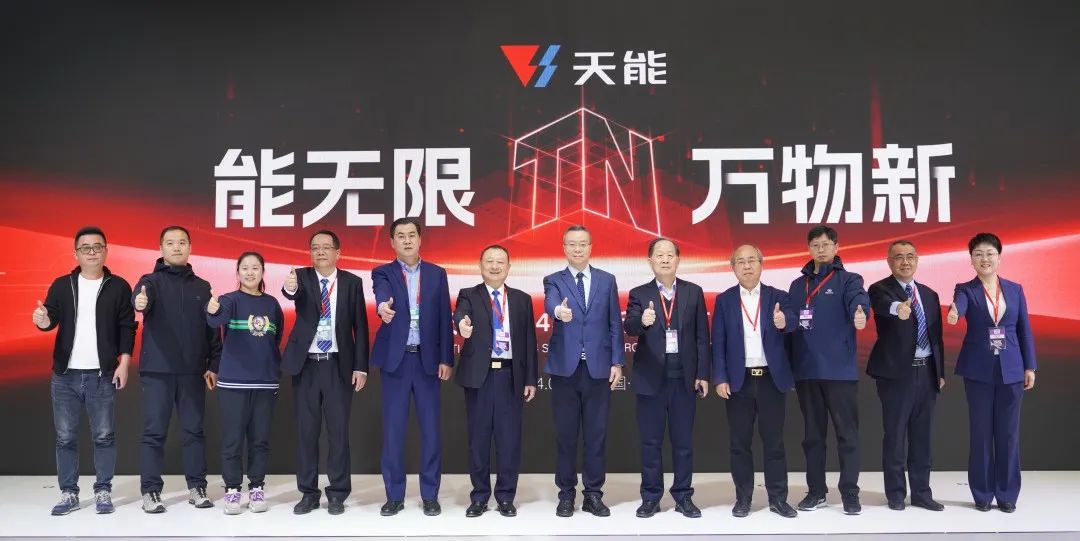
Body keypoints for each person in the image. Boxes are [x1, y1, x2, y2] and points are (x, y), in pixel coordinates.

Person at [33, 226, 136, 515]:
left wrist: (124, 363)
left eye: (97, 247)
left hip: (102, 375)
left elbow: (127, 327)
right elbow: (49, 319)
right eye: (85, 248)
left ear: (106, 250)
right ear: (76, 253)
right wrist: (42, 319)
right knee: (65, 437)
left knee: (104, 436)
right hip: (65, 375)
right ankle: (68, 493)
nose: (92, 252)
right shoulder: (62, 285)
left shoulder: (118, 286)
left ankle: (103, 490)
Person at [133, 225, 221, 513]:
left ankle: (197, 487)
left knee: (193, 431)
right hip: (157, 371)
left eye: (182, 242)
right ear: (161, 248)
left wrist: (213, 364)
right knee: (154, 432)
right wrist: (139, 301)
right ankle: (150, 491)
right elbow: (140, 299)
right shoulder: (149, 281)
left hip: (192, 371)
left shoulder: (202, 287)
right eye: (170, 243)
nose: (176, 247)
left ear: (190, 248)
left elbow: (212, 329)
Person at [947, 232, 1036, 513]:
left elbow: (1024, 329)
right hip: (979, 370)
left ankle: (1007, 494)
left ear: (999, 257)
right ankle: (983, 494)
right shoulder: (965, 289)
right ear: (971, 260)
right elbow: (959, 305)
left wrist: (1030, 366)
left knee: (1009, 435)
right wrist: (954, 312)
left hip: (1012, 368)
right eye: (978, 254)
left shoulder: (1015, 289)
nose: (984, 259)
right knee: (981, 434)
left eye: (989, 253)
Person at [282, 230, 369, 516]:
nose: (320, 252)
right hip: (306, 365)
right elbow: (291, 292)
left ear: (337, 252)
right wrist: (289, 287)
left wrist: (360, 366)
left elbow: (360, 326)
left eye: (326, 247)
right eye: (315, 247)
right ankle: (308, 493)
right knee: (306, 433)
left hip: (338, 366)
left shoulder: (352, 282)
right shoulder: (301, 277)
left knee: (338, 433)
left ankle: (338, 493)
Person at [371, 217, 453, 516]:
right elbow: (382, 296)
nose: (406, 240)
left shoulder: (436, 274)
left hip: (427, 361)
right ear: (392, 242)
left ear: (420, 239)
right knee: (394, 432)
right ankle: (394, 496)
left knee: (431, 432)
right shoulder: (383, 272)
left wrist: (446, 358)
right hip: (396, 361)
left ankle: (430, 495)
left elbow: (444, 317)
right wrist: (383, 307)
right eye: (400, 236)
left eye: (411, 235)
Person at [785, 225, 869, 515]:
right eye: (815, 245)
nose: (820, 250)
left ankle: (850, 494)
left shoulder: (849, 279)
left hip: (839, 371)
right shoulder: (797, 285)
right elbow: (792, 318)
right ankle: (816, 492)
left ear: (836, 247)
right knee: (812, 437)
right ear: (809, 249)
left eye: (825, 244)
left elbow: (858, 299)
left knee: (847, 435)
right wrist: (784, 321)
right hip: (807, 370)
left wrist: (860, 311)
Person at [623, 238, 709, 519]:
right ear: (650, 261)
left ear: (678, 260)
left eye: (670, 255)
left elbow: (701, 337)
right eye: (659, 255)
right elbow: (629, 327)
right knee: (650, 443)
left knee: (683, 443)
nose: (664, 259)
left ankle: (683, 496)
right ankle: (650, 497)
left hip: (684, 380)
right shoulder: (639, 293)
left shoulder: (693, 292)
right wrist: (642, 321)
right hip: (651, 381)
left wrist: (702, 374)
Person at [543, 224, 624, 517]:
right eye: (572, 244)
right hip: (565, 370)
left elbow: (614, 323)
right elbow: (551, 304)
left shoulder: (607, 280)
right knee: (566, 436)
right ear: (564, 247)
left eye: (583, 244)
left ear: (591, 247)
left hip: (598, 369)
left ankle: (593, 495)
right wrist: (559, 312)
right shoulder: (553, 280)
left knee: (596, 435)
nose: (577, 249)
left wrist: (617, 362)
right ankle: (566, 495)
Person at [712, 244, 798, 518]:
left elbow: (793, 322)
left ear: (761, 264)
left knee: (774, 443)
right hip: (739, 382)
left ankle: (778, 499)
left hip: (771, 380)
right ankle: (743, 499)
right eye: (741, 261)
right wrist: (720, 377)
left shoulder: (778, 296)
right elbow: (718, 343)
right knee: (740, 444)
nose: (747, 266)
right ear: (733, 268)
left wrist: (784, 321)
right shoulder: (724, 300)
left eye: (752, 260)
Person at [453, 245, 538, 518]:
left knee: (509, 440)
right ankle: (479, 497)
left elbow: (529, 341)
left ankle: (505, 497)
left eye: (500, 262)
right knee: (478, 439)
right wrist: (462, 325)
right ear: (480, 266)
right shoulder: (469, 294)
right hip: (480, 377)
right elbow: (460, 316)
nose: (494, 266)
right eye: (489, 261)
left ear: (509, 267)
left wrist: (530, 379)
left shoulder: (522, 299)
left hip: (511, 377)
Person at [867, 240, 946, 511]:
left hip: (927, 372)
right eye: (899, 257)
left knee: (922, 437)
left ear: (917, 260)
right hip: (896, 375)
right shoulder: (880, 289)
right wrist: (898, 309)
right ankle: (896, 494)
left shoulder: (930, 294)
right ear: (889, 262)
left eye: (910, 256)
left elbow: (937, 337)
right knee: (895, 435)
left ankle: (922, 493)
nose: (905, 262)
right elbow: (883, 306)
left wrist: (939, 371)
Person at [206, 252, 284, 515]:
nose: (250, 272)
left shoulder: (272, 304)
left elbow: (276, 338)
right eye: (245, 268)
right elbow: (216, 319)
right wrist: (212, 310)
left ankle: (257, 487)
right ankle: (232, 490)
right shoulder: (229, 300)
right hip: (233, 383)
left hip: (265, 383)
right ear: (237, 272)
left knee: (260, 440)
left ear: (263, 271)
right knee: (233, 440)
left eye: (255, 268)